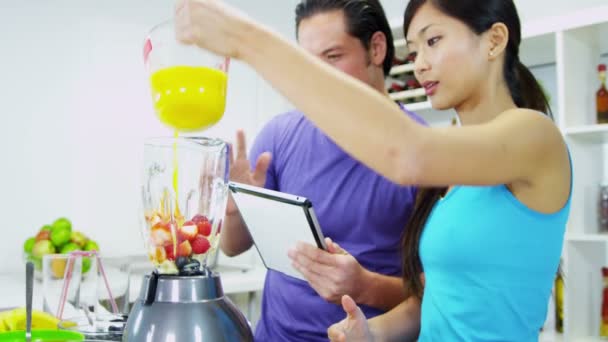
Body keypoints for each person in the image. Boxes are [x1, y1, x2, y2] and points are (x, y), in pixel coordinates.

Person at [175, 0, 573, 340]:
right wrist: (373, 332)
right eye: (415, 50)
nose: (420, 64)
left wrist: (246, 41)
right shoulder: (460, 175)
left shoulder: (534, 135)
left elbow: (407, 155)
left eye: (433, 41)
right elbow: (437, 297)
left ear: (495, 40)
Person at [215, 0, 425, 340]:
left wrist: (365, 286)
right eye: (307, 63)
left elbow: (440, 297)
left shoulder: (428, 155)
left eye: (333, 57)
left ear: (376, 48)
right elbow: (231, 246)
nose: (316, 78)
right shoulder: (278, 137)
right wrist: (235, 209)